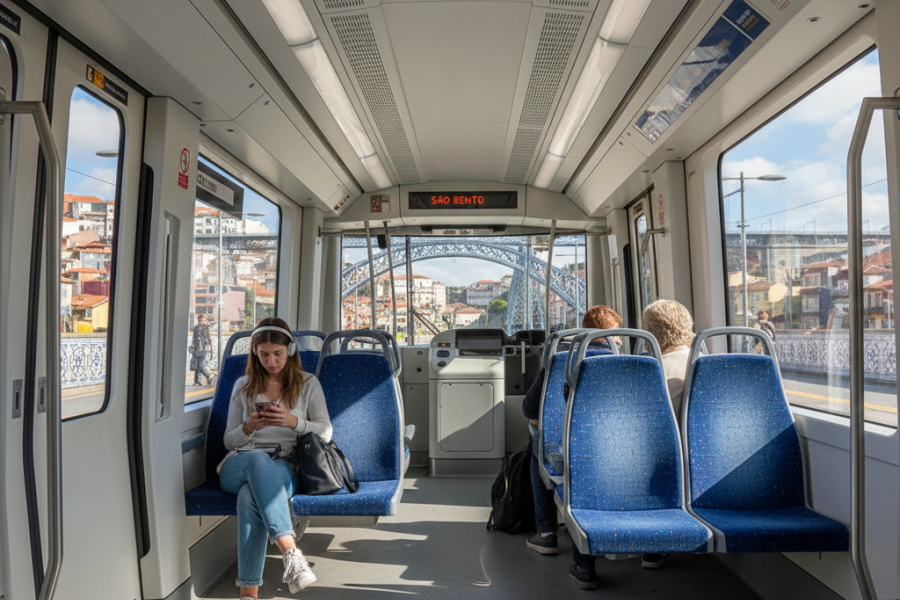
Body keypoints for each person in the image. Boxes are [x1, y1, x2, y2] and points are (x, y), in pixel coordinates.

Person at [217, 317, 333, 598]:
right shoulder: (243, 385)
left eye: (278, 354)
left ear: (290, 350)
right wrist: (248, 427)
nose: (271, 361)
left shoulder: (308, 383)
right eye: (264, 354)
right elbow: (228, 439)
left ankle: (248, 594)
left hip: (286, 463)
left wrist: (294, 422)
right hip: (240, 462)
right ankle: (291, 553)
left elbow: (325, 432)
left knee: (249, 497)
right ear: (255, 353)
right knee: (257, 461)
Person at [521, 305, 622, 590]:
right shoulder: (630, 363)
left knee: (537, 446)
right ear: (616, 336)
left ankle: (547, 532)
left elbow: (530, 407)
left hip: (566, 446)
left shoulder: (562, 360)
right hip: (617, 448)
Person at [639, 298, 695, 570]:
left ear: (650, 335)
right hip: (704, 466)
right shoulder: (711, 365)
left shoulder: (651, 372)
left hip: (660, 466)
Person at [192, 314, 215, 386]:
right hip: (200, 349)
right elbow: (194, 339)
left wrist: (211, 349)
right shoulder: (202, 328)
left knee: (199, 364)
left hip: (201, 349)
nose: (203, 320)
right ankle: (197, 380)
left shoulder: (201, 328)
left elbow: (209, 338)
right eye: (203, 319)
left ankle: (208, 376)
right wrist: (211, 350)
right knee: (198, 364)